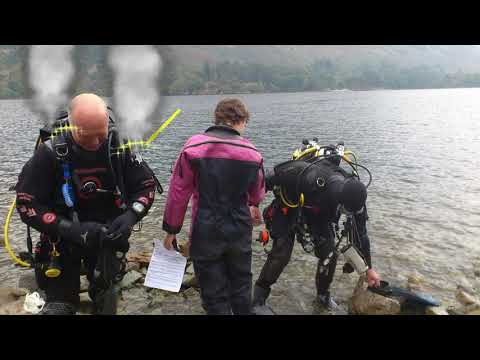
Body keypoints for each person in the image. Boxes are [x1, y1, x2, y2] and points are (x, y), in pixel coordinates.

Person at [15, 93, 158, 315]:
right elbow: (27, 204)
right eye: (86, 137)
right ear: (71, 127)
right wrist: (72, 230)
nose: (94, 143)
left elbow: (146, 187)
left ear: (107, 124)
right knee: (60, 304)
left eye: (100, 136)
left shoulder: (119, 147)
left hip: (107, 236)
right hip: (60, 238)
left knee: (106, 294)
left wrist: (131, 215)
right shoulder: (50, 153)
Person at [252, 139, 381, 314]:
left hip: (319, 215)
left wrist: (369, 268)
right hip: (289, 207)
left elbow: (362, 234)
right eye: (344, 210)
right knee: (281, 254)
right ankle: (258, 299)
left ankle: (323, 296)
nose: (347, 213)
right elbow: (265, 179)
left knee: (330, 254)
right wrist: (253, 205)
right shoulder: (307, 175)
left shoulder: (356, 200)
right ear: (339, 199)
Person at [162, 98, 265, 315]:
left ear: (217, 119)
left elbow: (178, 193)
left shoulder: (194, 147)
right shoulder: (253, 153)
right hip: (239, 229)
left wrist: (172, 229)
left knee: (213, 294)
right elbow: (257, 194)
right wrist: (254, 206)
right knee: (241, 286)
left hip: (206, 230)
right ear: (242, 120)